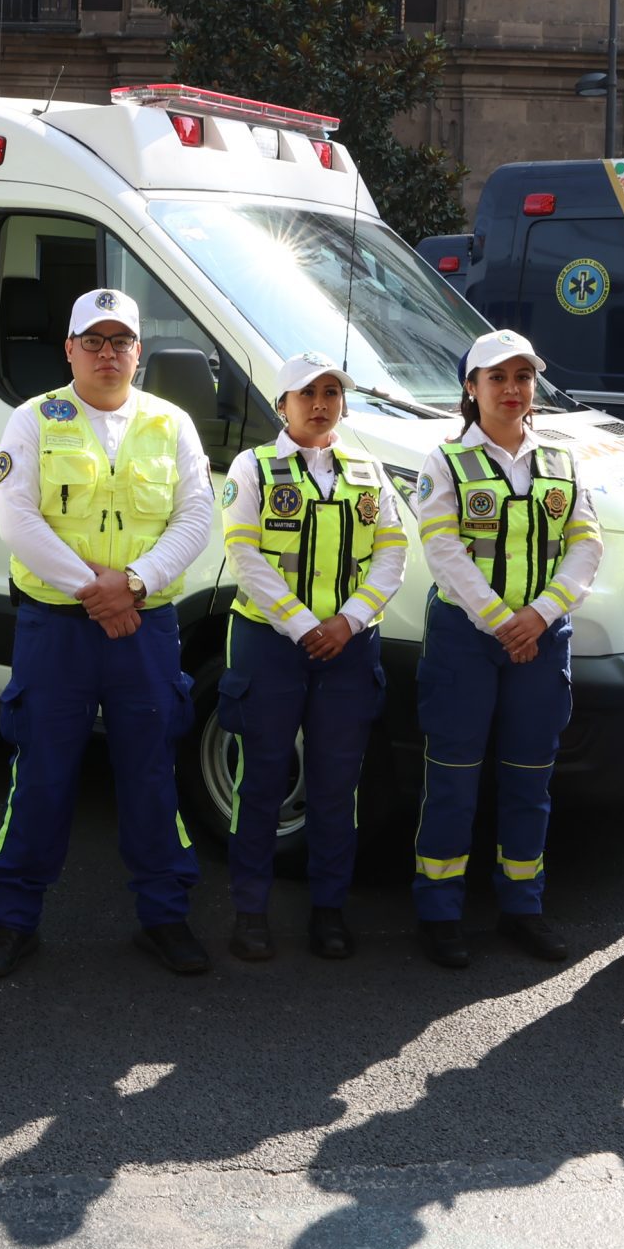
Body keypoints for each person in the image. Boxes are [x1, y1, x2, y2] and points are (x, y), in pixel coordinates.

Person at [0, 286, 220, 979]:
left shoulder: (172, 424)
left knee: (150, 771)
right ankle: (13, 918)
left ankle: (165, 915)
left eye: (120, 341)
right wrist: (99, 592)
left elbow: (196, 518)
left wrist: (134, 583)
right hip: (57, 626)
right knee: (43, 772)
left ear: (138, 352)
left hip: (144, 623)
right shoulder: (33, 420)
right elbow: (17, 521)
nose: (107, 353)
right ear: (70, 349)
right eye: (94, 340)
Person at [407, 329, 602, 969]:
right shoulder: (444, 462)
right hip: (469, 638)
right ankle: (439, 911)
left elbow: (586, 545)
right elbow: (443, 552)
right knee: (454, 779)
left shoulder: (564, 461)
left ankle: (524, 907)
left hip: (542, 637)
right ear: (471, 388)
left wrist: (540, 617)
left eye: (523, 377)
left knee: (530, 779)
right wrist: (502, 621)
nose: (513, 389)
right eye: (498, 378)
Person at [217, 350, 406, 962]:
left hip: (348, 647)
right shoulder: (253, 469)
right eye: (307, 393)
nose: (321, 403)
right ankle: (251, 912)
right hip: (271, 645)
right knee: (262, 781)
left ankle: (329, 910)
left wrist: (347, 623)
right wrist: (303, 626)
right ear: (282, 405)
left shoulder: (367, 471)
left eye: (331, 392)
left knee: (336, 785)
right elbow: (244, 555)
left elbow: (392, 553)